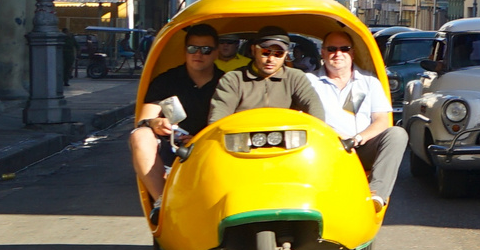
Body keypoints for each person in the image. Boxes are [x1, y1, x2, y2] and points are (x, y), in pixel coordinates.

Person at [131, 22, 222, 209]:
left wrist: (201, 138)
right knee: (139, 135)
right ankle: (162, 203)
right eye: (192, 48)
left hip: (214, 147)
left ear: (216, 52)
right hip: (173, 146)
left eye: (205, 50)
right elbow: (143, 120)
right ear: (185, 51)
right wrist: (155, 122)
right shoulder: (166, 80)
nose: (198, 54)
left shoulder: (228, 82)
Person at [312, 30, 407, 209]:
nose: (338, 54)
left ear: (352, 53)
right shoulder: (309, 82)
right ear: (323, 53)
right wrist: (337, 138)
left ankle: (376, 195)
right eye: (331, 49)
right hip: (325, 149)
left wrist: (357, 139)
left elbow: (381, 120)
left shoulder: (369, 82)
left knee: (397, 134)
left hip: (361, 146)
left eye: (344, 49)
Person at [208, 25, 331, 123]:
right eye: (266, 52)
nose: (271, 59)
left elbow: (313, 107)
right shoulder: (233, 79)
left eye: (278, 54)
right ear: (253, 50)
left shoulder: (296, 78)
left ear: (286, 55)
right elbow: (218, 118)